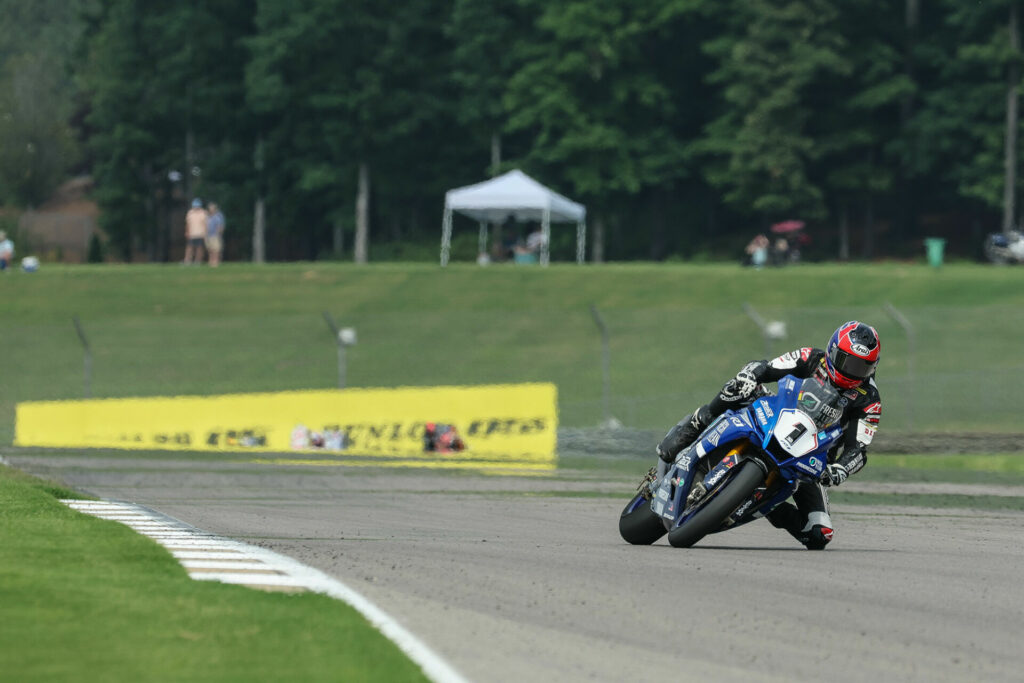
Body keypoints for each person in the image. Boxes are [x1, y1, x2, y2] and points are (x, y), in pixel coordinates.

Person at [655, 321, 882, 550]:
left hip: (810, 462)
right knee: (740, 387)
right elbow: (766, 367)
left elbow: (858, 449)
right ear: (833, 351)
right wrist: (750, 375)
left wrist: (840, 470)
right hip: (776, 418)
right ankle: (694, 426)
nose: (852, 371)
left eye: (863, 367)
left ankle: (764, 505)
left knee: (818, 534)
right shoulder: (812, 357)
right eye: (848, 362)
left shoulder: (869, 399)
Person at [184, 198, 208, 265]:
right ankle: (187, 260)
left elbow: (205, 224)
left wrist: (205, 233)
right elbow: (188, 223)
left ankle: (198, 261)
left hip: (200, 233)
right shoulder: (190, 213)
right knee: (189, 248)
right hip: (192, 233)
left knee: (199, 248)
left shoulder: (204, 213)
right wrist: (187, 232)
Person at [206, 202, 225, 267]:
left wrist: (218, 234)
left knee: (216, 249)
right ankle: (211, 261)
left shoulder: (218, 216)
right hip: (209, 235)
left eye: (212, 208)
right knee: (210, 249)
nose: (211, 210)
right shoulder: (208, 217)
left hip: (215, 235)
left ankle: (216, 261)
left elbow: (220, 226)